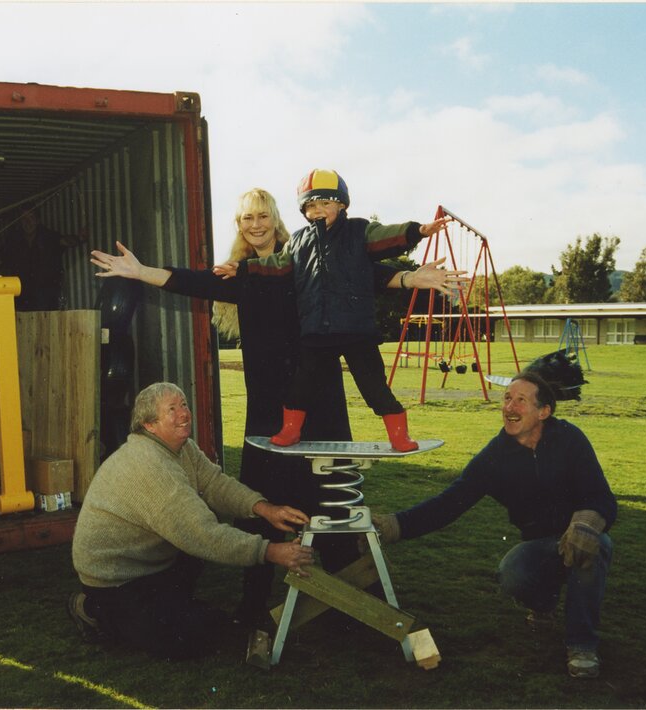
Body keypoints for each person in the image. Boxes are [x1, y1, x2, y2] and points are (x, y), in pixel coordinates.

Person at [90, 188, 467, 626]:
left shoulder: (300, 258)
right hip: (270, 410)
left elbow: (353, 270)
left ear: (275, 219)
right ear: (240, 225)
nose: (255, 224)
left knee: (330, 504)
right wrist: (139, 272)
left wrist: (407, 278)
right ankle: (253, 607)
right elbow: (192, 281)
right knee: (266, 507)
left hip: (320, 399)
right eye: (246, 217)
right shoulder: (243, 275)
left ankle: (350, 602)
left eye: (262, 215)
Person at [372, 371, 617, 679]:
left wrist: (587, 522)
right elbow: (449, 503)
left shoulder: (570, 440)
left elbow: (603, 498)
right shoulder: (496, 456)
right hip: (538, 543)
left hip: (580, 534)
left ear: (544, 412)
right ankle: (544, 604)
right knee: (512, 574)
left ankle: (582, 645)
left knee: (594, 549)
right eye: (507, 398)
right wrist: (392, 526)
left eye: (521, 401)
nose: (509, 407)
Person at [68, 382, 315, 660]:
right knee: (186, 636)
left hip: (150, 564)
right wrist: (270, 551)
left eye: (183, 404)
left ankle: (166, 608)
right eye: (171, 410)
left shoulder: (182, 448)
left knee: (196, 614)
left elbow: (214, 483)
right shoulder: (150, 465)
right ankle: (91, 609)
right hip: (115, 578)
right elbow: (202, 534)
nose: (184, 414)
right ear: (149, 425)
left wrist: (265, 508)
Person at [214, 169, 452, 452]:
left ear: (342, 205)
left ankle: (399, 436)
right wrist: (241, 268)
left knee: (374, 387)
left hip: (356, 331)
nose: (318, 210)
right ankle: (290, 431)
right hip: (317, 331)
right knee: (300, 387)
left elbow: (387, 235)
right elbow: (276, 265)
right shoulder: (298, 241)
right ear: (304, 211)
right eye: (311, 205)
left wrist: (417, 231)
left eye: (326, 203)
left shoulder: (359, 232)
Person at [0, 209, 81, 311]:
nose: (28, 222)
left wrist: (79, 238)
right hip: (22, 297)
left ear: (38, 220)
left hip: (46, 298)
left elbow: (66, 241)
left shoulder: (48, 237)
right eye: (24, 219)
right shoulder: (14, 240)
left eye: (31, 218)